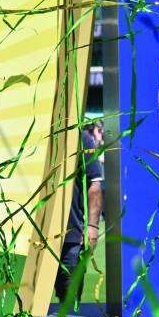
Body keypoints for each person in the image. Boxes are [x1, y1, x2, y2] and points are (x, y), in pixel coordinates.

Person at [55, 126, 104, 303]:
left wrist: (92, 226)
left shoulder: (82, 139)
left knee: (69, 303)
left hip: (71, 238)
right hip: (33, 240)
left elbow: (95, 186)